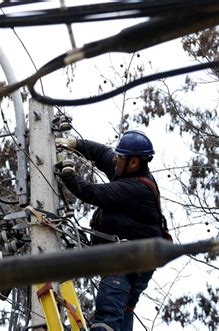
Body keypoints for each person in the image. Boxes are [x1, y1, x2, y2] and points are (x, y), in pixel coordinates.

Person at [56, 130, 166, 331]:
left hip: (129, 262)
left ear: (133, 162)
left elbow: (91, 192)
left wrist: (68, 173)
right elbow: (101, 154)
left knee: (109, 310)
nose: (115, 160)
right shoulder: (126, 169)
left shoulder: (136, 188)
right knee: (124, 308)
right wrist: (75, 144)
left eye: (120, 157)